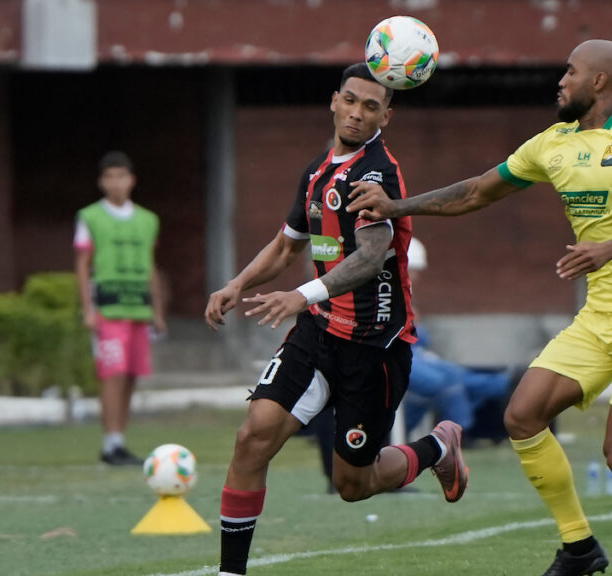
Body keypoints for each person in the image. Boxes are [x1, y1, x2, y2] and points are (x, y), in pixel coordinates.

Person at [349, 39, 612, 576]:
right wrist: (396, 206)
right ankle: (579, 548)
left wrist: (609, 248)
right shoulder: (553, 143)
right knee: (521, 416)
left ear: (599, 81)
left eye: (570, 72)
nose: (560, 81)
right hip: (600, 318)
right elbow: (478, 191)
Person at [204, 63, 467, 576]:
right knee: (252, 436)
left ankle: (438, 446)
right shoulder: (318, 170)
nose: (357, 112)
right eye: (351, 100)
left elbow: (371, 256)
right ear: (334, 101)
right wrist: (238, 284)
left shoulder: (376, 175)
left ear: (386, 116)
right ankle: (229, 572)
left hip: (373, 348)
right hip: (319, 333)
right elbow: (287, 245)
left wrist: (302, 295)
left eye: (371, 106)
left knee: (354, 486)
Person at [73, 151, 166, 466]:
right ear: (102, 182)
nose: (116, 183)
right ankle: (110, 443)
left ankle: (120, 440)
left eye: (122, 176)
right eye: (110, 177)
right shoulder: (89, 217)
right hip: (108, 309)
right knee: (111, 374)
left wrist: (158, 310)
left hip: (138, 308)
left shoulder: (148, 219)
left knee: (130, 375)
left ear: (132, 180)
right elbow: (83, 265)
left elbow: (152, 266)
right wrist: (88, 308)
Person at [403, 237, 514, 434]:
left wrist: (415, 325)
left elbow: (422, 341)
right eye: (411, 271)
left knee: (457, 377)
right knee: (446, 382)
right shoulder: (385, 297)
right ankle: (458, 436)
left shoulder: (408, 298)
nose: (416, 277)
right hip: (398, 359)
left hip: (417, 357)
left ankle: (509, 383)